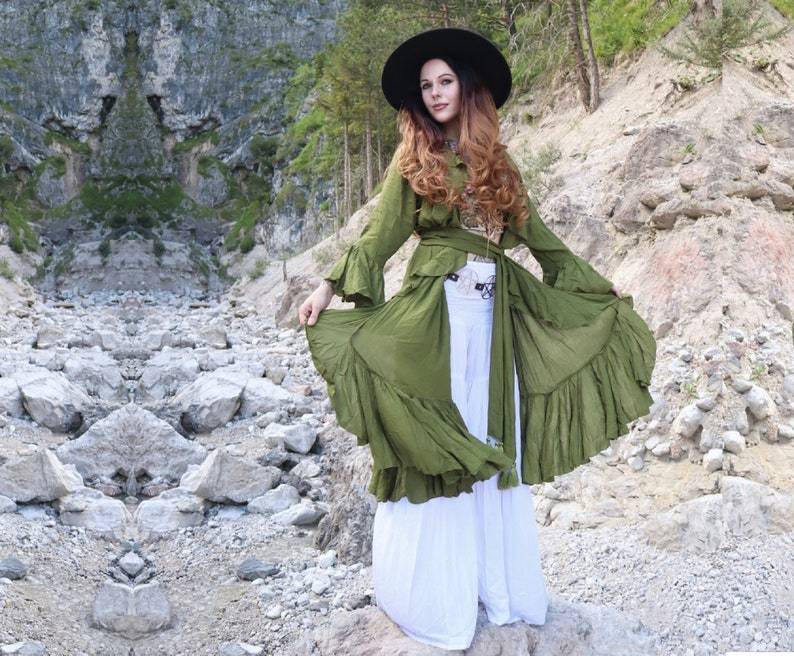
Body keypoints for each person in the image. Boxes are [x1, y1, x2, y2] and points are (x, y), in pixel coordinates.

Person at [298, 27, 656, 650]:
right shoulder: (415, 161)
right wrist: (327, 289)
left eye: (445, 81)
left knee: (493, 438)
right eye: (426, 86)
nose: (435, 93)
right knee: (443, 440)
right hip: (434, 322)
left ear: (467, 86)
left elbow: (542, 241)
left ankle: (493, 586)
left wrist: (601, 291)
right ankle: (434, 596)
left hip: (493, 329)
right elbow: (379, 237)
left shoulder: (499, 164)